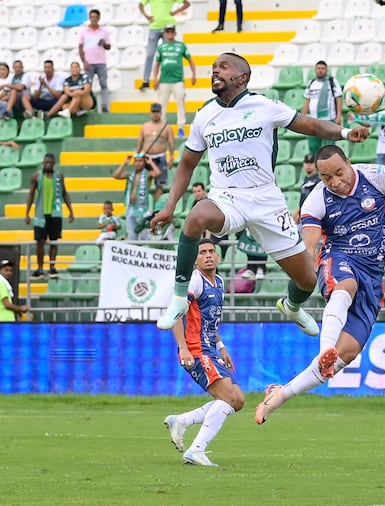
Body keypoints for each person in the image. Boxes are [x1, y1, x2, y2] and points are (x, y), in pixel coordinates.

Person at [150, 52, 371, 336]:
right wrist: (169, 206)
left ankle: (291, 306)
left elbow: (312, 125)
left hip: (266, 200)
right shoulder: (205, 114)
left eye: (224, 67)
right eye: (213, 68)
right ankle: (180, 297)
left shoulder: (264, 106)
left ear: (243, 77)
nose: (215, 71)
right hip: (227, 197)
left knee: (307, 279)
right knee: (196, 216)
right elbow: (187, 164)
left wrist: (344, 132)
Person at [254, 145, 385, 425]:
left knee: (348, 353)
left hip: (374, 276)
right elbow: (309, 247)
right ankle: (325, 347)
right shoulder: (316, 201)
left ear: (349, 162)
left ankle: (280, 395)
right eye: (326, 177)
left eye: (339, 173)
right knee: (346, 285)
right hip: (339, 258)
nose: (335, 182)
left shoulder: (379, 177)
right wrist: (307, 270)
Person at [163, 238, 244, 467]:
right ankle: (196, 450)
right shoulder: (194, 281)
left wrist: (221, 347)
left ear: (218, 256)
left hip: (211, 349)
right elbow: (176, 313)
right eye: (202, 253)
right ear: (195, 260)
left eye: (211, 251)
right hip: (196, 350)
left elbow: (210, 321)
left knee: (237, 400)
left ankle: (181, 420)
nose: (208, 255)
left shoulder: (218, 281)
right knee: (227, 398)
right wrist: (183, 348)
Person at [25, 154, 74, 278]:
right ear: (43, 163)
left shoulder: (59, 176)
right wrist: (27, 212)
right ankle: (40, 268)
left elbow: (65, 193)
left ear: (54, 163)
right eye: (46, 162)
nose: (48, 164)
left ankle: (52, 267)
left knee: (54, 241)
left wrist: (70, 210)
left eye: (50, 162)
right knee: (40, 242)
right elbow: (31, 194)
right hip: (40, 213)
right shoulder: (36, 176)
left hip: (55, 212)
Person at [153, 24, 197, 138]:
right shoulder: (161, 47)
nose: (170, 34)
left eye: (171, 31)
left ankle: (181, 128)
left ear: (175, 33)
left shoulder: (181, 46)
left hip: (178, 80)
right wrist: (154, 78)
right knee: (162, 105)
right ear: (165, 33)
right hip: (164, 80)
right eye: (167, 32)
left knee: (180, 103)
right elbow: (157, 64)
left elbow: (190, 60)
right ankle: (161, 129)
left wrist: (194, 74)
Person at [139, 0, 191, 91]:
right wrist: (146, 16)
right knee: (150, 55)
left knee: (167, 54)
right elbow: (140, 5)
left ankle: (165, 79)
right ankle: (146, 80)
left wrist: (175, 12)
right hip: (154, 26)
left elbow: (187, 3)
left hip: (167, 26)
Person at [112, 153, 159, 241]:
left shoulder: (148, 174)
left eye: (140, 161)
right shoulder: (130, 175)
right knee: (131, 234)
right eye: (136, 161)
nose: (138, 163)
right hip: (131, 207)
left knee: (143, 234)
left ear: (144, 162)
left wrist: (151, 162)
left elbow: (157, 173)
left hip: (142, 207)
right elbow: (116, 175)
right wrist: (125, 163)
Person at [135, 103, 174, 203]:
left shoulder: (166, 127)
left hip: (160, 157)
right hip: (147, 157)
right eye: (153, 112)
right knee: (144, 183)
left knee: (159, 184)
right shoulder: (144, 126)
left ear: (161, 113)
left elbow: (171, 143)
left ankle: (156, 208)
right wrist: (137, 156)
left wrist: (171, 157)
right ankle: (144, 204)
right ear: (150, 113)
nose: (155, 114)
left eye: (157, 112)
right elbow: (140, 141)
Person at [302, 61, 343, 156]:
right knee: (313, 148)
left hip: (329, 119)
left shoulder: (332, 82)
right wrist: (302, 117)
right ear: (315, 70)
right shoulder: (311, 83)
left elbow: (339, 98)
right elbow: (307, 100)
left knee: (329, 148)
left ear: (326, 70)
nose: (320, 71)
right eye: (318, 68)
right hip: (314, 120)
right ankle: (315, 168)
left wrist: (339, 116)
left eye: (322, 68)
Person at [79, 9, 112, 113]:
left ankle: (104, 106)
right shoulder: (84, 32)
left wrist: (104, 44)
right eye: (92, 17)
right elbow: (80, 48)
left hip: (101, 62)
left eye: (95, 17)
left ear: (98, 18)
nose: (94, 19)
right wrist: (84, 61)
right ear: (89, 18)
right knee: (88, 87)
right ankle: (90, 106)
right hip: (89, 62)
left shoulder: (104, 32)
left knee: (103, 85)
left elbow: (108, 47)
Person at [291, 154, 320, 223]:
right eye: (307, 162)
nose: (308, 165)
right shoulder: (305, 180)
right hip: (303, 213)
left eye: (311, 163)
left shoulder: (319, 179)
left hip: (312, 212)